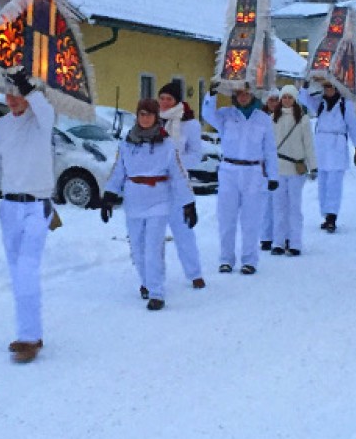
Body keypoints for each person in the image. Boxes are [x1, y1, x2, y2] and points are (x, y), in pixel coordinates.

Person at [0, 69, 56, 363]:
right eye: (8, 94)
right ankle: (30, 331)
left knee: (26, 270)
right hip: (9, 207)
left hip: (37, 206)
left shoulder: (41, 122)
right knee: (16, 272)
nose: (12, 99)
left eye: (17, 94)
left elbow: (45, 111)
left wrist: (30, 89)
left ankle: (29, 339)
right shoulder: (0, 126)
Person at [101, 98, 196, 310]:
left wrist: (188, 203)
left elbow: (178, 175)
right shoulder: (127, 143)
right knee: (137, 248)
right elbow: (118, 171)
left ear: (156, 117)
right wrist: (108, 196)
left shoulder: (167, 144)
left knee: (153, 247)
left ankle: (156, 292)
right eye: (141, 114)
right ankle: (145, 281)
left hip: (158, 202)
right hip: (134, 202)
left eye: (149, 114)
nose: (145, 118)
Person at [203, 83, 279, 274]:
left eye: (246, 93)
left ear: (252, 94)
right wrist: (211, 94)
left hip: (253, 171)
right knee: (226, 218)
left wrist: (273, 175)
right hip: (229, 170)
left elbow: (269, 149)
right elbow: (207, 114)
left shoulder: (263, 119)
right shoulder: (225, 114)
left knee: (251, 219)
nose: (242, 97)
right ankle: (226, 259)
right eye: (239, 94)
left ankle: (249, 260)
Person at [298, 76, 356, 232]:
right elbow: (303, 98)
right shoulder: (320, 102)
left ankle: (332, 215)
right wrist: (305, 85)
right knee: (323, 183)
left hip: (337, 144)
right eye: (326, 87)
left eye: (331, 87)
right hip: (321, 146)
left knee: (334, 183)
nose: (328, 90)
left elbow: (353, 126)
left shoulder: (344, 105)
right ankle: (325, 214)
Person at [157, 81, 205, 289]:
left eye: (169, 99)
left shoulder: (189, 124)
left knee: (183, 231)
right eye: (162, 98)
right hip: (155, 186)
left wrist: (175, 164)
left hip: (178, 185)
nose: (165, 102)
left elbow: (196, 154)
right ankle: (152, 278)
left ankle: (194, 273)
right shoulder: (152, 120)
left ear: (177, 101)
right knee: (153, 235)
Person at [270, 84, 317, 256]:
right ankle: (278, 242)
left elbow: (309, 145)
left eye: (290, 97)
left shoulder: (303, 120)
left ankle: (295, 242)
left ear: (295, 99)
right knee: (279, 207)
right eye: (284, 97)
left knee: (294, 208)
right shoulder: (272, 118)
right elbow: (267, 145)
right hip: (278, 168)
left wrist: (313, 166)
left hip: (296, 169)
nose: (287, 100)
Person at [260, 87, 281, 251]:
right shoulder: (260, 117)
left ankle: (280, 235)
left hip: (282, 161)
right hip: (262, 164)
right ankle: (265, 236)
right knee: (265, 202)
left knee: (279, 202)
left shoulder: (286, 116)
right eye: (271, 99)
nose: (273, 103)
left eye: (276, 99)